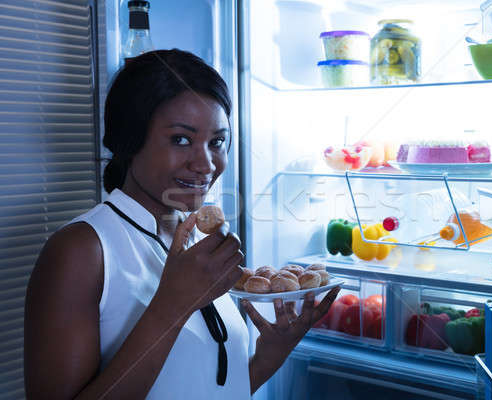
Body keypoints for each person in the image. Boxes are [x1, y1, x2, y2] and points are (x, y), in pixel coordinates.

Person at [24, 49, 340, 399]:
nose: (206, 164)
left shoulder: (192, 243)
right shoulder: (81, 250)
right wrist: (172, 305)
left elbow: (207, 387)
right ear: (130, 139)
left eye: (217, 142)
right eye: (181, 139)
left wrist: (271, 354)